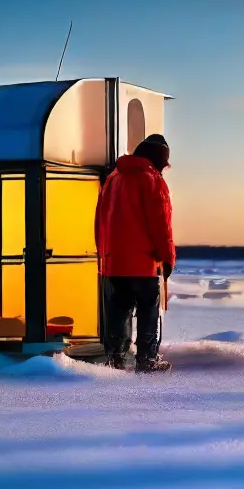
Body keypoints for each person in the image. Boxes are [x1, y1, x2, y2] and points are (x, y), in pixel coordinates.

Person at [94, 133, 176, 372]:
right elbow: (160, 223)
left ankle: (115, 360)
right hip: (144, 262)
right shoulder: (151, 179)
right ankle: (147, 359)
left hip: (114, 262)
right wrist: (167, 257)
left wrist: (104, 254)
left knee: (118, 313)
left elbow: (100, 220)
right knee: (149, 311)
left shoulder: (112, 178)